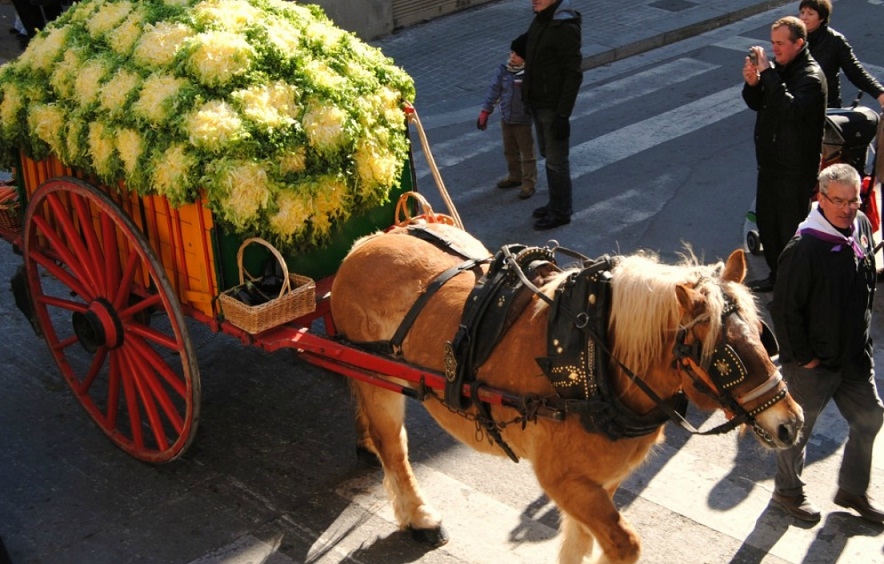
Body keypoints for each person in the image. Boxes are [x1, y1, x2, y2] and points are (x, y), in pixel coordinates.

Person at [769, 163, 884, 524]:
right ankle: (787, 492)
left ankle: (852, 490)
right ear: (821, 199)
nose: (849, 209)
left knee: (870, 418)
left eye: (854, 200)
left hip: (853, 358)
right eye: (840, 201)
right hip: (814, 365)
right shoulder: (804, 249)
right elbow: (784, 310)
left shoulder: (861, 226)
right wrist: (805, 359)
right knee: (794, 433)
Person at [742, 16, 827, 292]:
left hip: (794, 170)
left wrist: (767, 74)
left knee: (791, 231)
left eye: (780, 43)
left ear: (799, 43)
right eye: (772, 43)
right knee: (769, 227)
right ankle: (778, 278)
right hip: (770, 165)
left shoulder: (811, 77)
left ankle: (795, 287)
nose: (774, 49)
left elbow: (791, 111)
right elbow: (761, 104)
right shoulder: (780, 70)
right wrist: (753, 84)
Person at [523, 0, 582, 231]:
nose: (533, 0)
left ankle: (561, 211)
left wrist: (563, 114)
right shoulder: (541, 19)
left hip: (552, 107)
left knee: (557, 161)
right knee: (548, 156)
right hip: (538, 103)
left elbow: (573, 73)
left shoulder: (565, 27)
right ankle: (554, 202)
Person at [476, 34, 537, 200]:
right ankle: (515, 176)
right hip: (506, 118)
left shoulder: (530, 74)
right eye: (511, 53)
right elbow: (494, 91)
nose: (512, 57)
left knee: (527, 154)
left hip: (522, 120)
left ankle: (528, 183)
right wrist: (485, 112)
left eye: (517, 55)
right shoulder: (504, 70)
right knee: (510, 151)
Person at [798, 0, 884, 110]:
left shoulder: (835, 41)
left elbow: (856, 72)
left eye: (810, 14)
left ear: (822, 18)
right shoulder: (793, 36)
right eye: (802, 12)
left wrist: (880, 93)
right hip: (795, 108)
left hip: (826, 109)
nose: (804, 17)